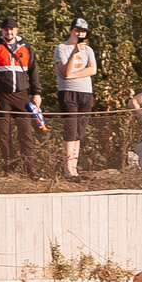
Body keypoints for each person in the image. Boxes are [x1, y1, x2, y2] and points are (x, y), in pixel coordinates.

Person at [0, 18, 37, 175]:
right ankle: (9, 167)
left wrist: (37, 93)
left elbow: (33, 71)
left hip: (22, 96)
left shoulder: (26, 47)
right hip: (1, 96)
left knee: (26, 133)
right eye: (6, 29)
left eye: (12, 29)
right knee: (3, 134)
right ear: (2, 31)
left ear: (17, 30)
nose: (9, 32)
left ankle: (30, 168)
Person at [53, 18, 97, 181]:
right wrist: (74, 53)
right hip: (68, 92)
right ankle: (68, 170)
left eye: (83, 31)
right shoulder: (62, 48)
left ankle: (75, 169)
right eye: (78, 30)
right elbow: (65, 71)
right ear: (71, 30)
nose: (80, 34)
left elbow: (93, 70)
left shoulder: (88, 50)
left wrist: (71, 75)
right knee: (70, 130)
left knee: (79, 132)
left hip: (85, 92)